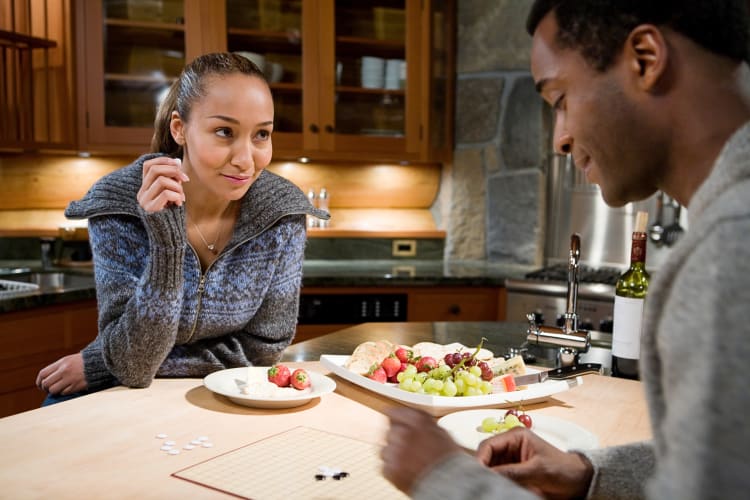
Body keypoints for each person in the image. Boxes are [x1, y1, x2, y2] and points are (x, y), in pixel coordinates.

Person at [381, 1, 750, 498]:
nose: (560, 139)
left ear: (645, 58)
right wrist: (590, 472)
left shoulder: (727, 254)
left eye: (559, 99)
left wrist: (443, 477)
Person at [35, 52, 328, 403]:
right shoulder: (118, 203)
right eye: (224, 132)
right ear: (179, 129)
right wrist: (167, 245)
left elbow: (262, 351)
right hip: (118, 393)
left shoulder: (281, 212)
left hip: (226, 391)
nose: (246, 159)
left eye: (261, 134)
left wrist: (101, 360)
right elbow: (133, 365)